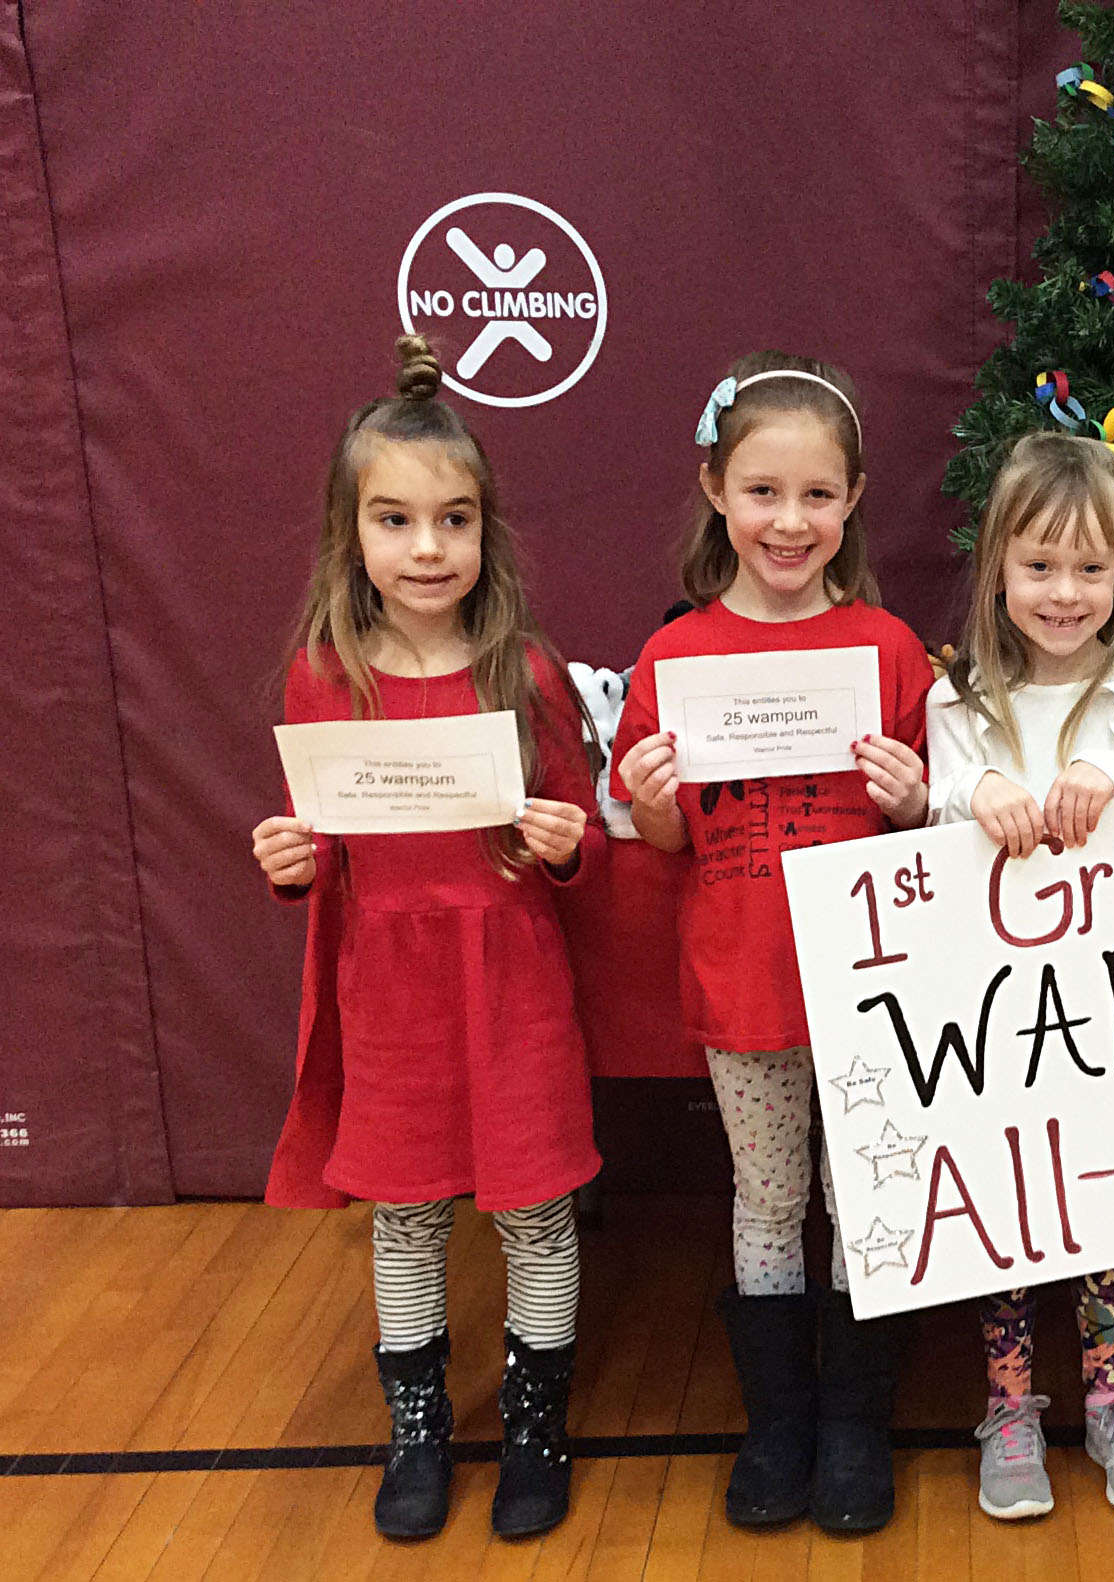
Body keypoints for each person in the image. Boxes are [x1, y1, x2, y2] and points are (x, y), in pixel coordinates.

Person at [252, 335, 603, 1542]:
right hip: (392, 989)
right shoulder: (322, 676)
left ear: (485, 531)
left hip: (510, 984)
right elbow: (321, 842)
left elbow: (584, 848)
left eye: (453, 519)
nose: (426, 548)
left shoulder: (527, 669)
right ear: (352, 533)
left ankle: (534, 1430)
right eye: (395, 520)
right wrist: (292, 865)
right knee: (405, 1215)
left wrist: (565, 840)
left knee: (534, 1212)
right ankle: (415, 1434)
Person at [610, 353, 932, 1534]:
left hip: (871, 984)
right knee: (765, 1197)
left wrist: (910, 799)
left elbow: (929, 829)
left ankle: (854, 1425)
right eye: (761, 492)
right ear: (714, 490)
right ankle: (779, 1422)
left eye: (815, 495)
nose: (788, 521)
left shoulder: (889, 648)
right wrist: (648, 796)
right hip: (741, 981)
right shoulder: (675, 655)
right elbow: (660, 840)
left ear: (851, 502)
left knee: (864, 1203)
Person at [926, 432, 1114, 1521]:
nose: (1065, 592)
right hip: (994, 1020)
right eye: (1039, 566)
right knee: (1009, 1205)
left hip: (1112, 1013)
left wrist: (1103, 775)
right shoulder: (959, 700)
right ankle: (1012, 1403)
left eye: (1089, 567)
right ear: (996, 567)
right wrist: (978, 793)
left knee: (1106, 1205)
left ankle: (1113, 1395)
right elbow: (930, 839)